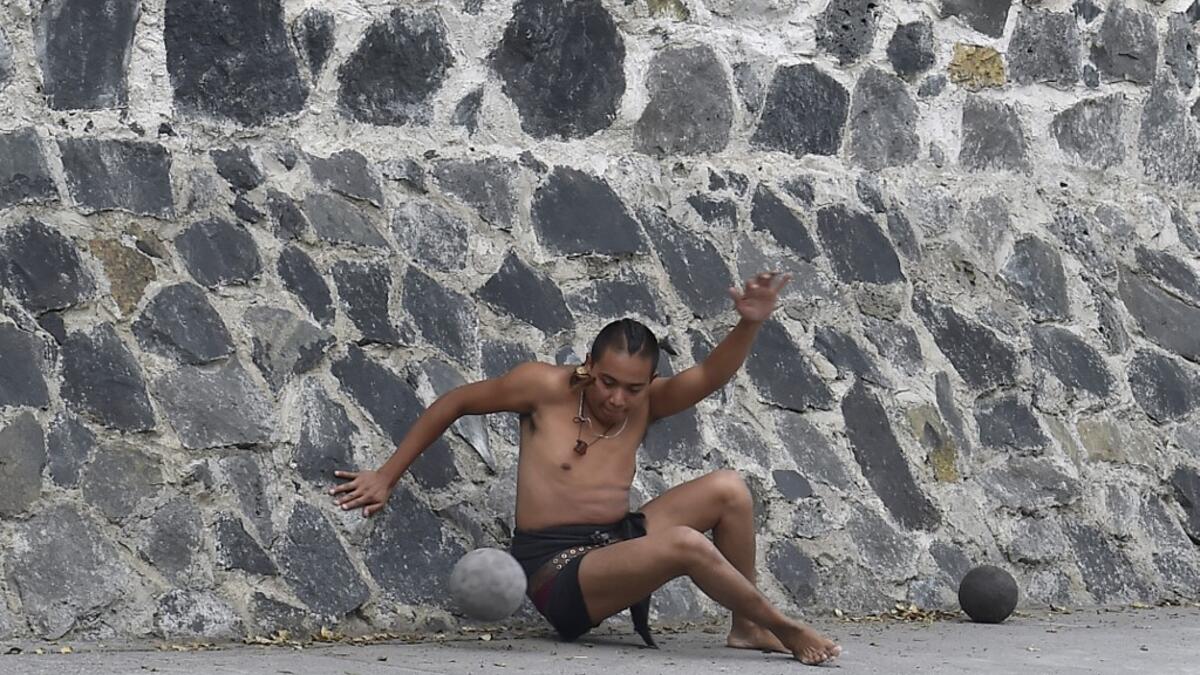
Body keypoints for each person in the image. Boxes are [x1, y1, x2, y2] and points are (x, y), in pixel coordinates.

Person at [330, 271, 842, 665]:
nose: (618, 399)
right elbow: (455, 402)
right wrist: (386, 475)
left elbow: (709, 373)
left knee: (730, 489)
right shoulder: (541, 388)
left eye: (634, 389)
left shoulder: (646, 404)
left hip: (613, 542)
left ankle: (747, 628)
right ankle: (782, 625)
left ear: (650, 383)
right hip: (556, 573)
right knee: (685, 543)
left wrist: (749, 322)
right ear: (588, 367)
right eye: (607, 383)